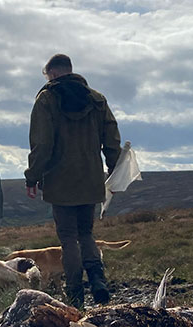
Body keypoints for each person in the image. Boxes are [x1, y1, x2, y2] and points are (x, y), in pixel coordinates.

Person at [23, 54, 121, 307]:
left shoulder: (46, 99)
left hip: (59, 179)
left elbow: (41, 144)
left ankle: (75, 291)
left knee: (67, 237)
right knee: (86, 232)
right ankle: (98, 279)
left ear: (52, 74)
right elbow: (111, 139)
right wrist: (114, 168)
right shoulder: (97, 99)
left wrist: (32, 176)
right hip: (90, 176)